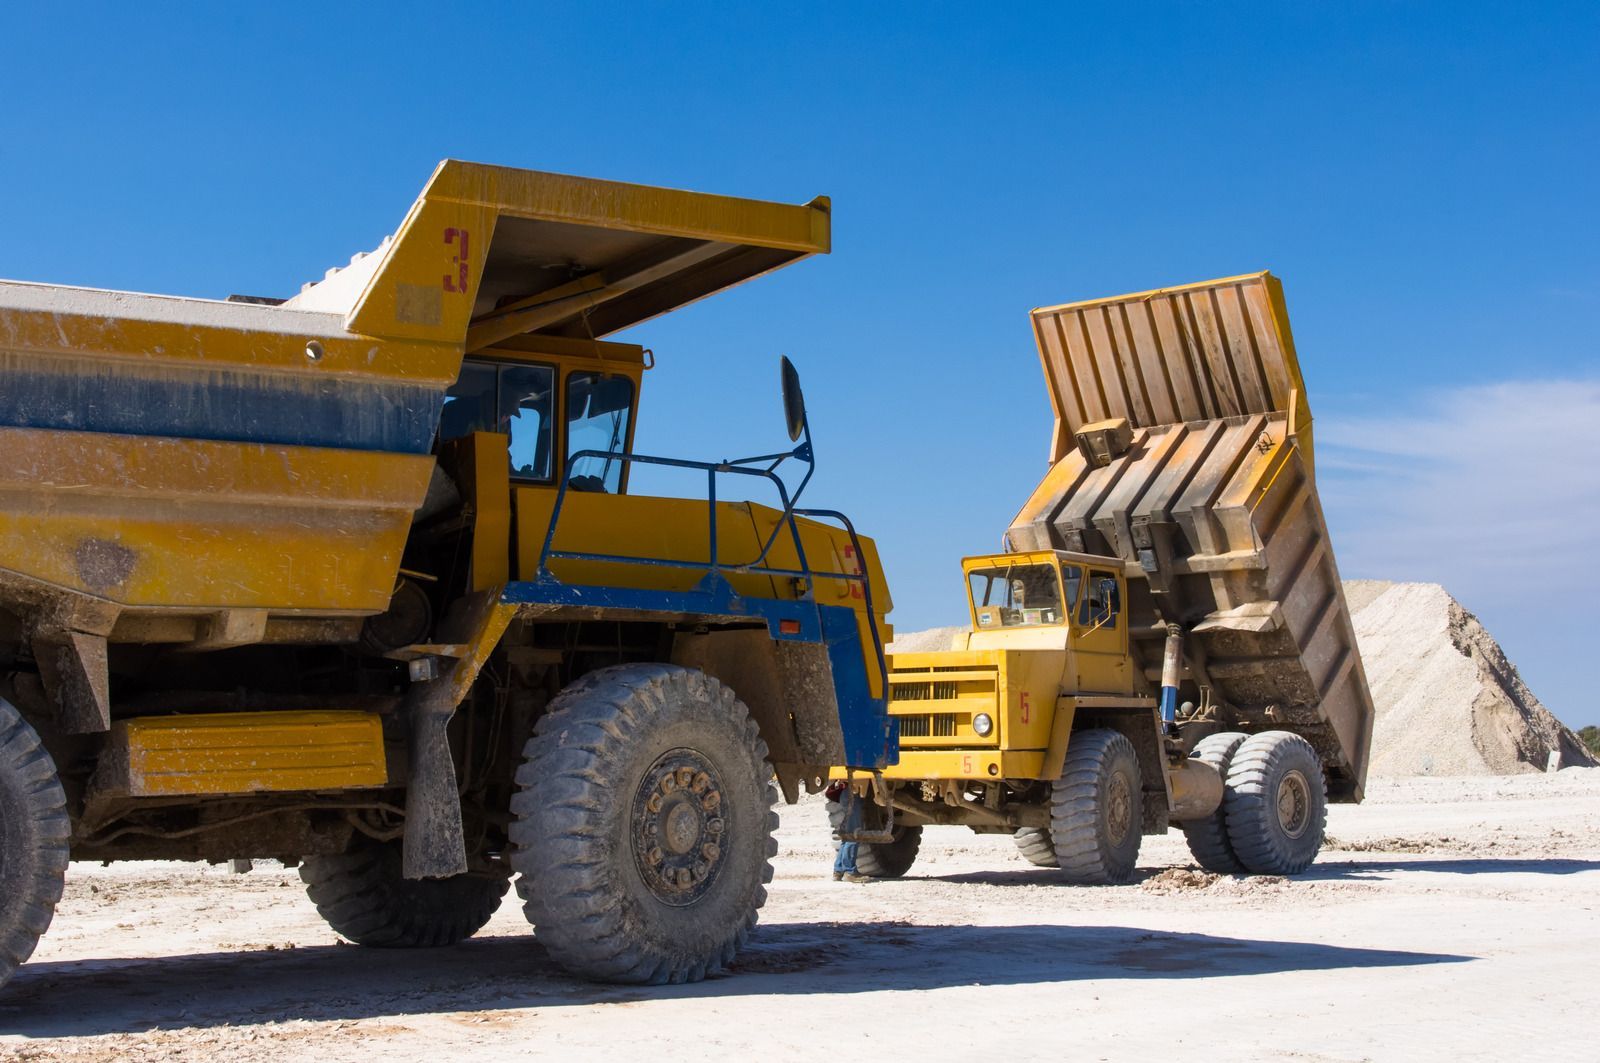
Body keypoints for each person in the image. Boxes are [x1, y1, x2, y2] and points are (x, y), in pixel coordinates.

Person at [826, 780, 871, 883]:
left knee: (847, 836)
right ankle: (849, 872)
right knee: (853, 834)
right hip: (852, 794)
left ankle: (838, 871)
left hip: (847, 793)